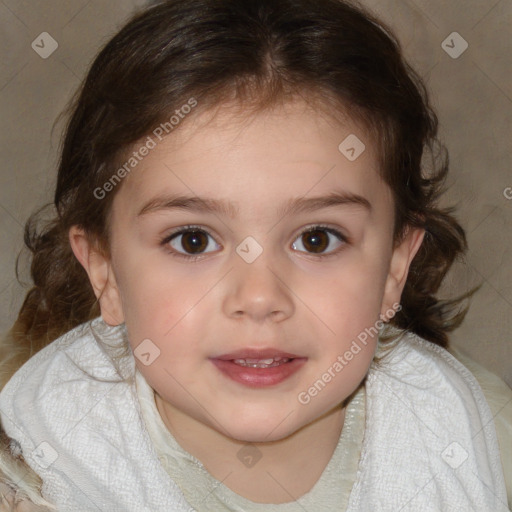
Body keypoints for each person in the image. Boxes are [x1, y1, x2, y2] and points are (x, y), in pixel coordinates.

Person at [0, 0, 510, 510]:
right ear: (105, 272)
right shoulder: (40, 471)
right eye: (193, 240)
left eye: (317, 239)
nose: (260, 297)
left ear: (395, 268)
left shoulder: (473, 436)